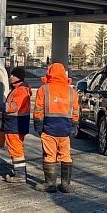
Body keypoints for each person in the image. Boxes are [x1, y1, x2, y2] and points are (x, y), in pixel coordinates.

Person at [32, 63, 79, 193]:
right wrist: (73, 126)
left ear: (50, 73)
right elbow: (75, 112)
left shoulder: (44, 89)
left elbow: (38, 110)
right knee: (66, 155)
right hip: (65, 129)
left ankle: (50, 184)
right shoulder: (72, 91)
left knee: (49, 155)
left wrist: (39, 127)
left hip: (49, 128)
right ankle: (65, 184)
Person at [3, 66, 32, 184]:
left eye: (12, 75)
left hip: (15, 124)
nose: (10, 77)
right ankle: (21, 173)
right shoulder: (19, 89)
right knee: (17, 149)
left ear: (17, 77)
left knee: (16, 150)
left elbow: (12, 107)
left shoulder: (20, 91)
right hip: (17, 124)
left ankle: (20, 175)